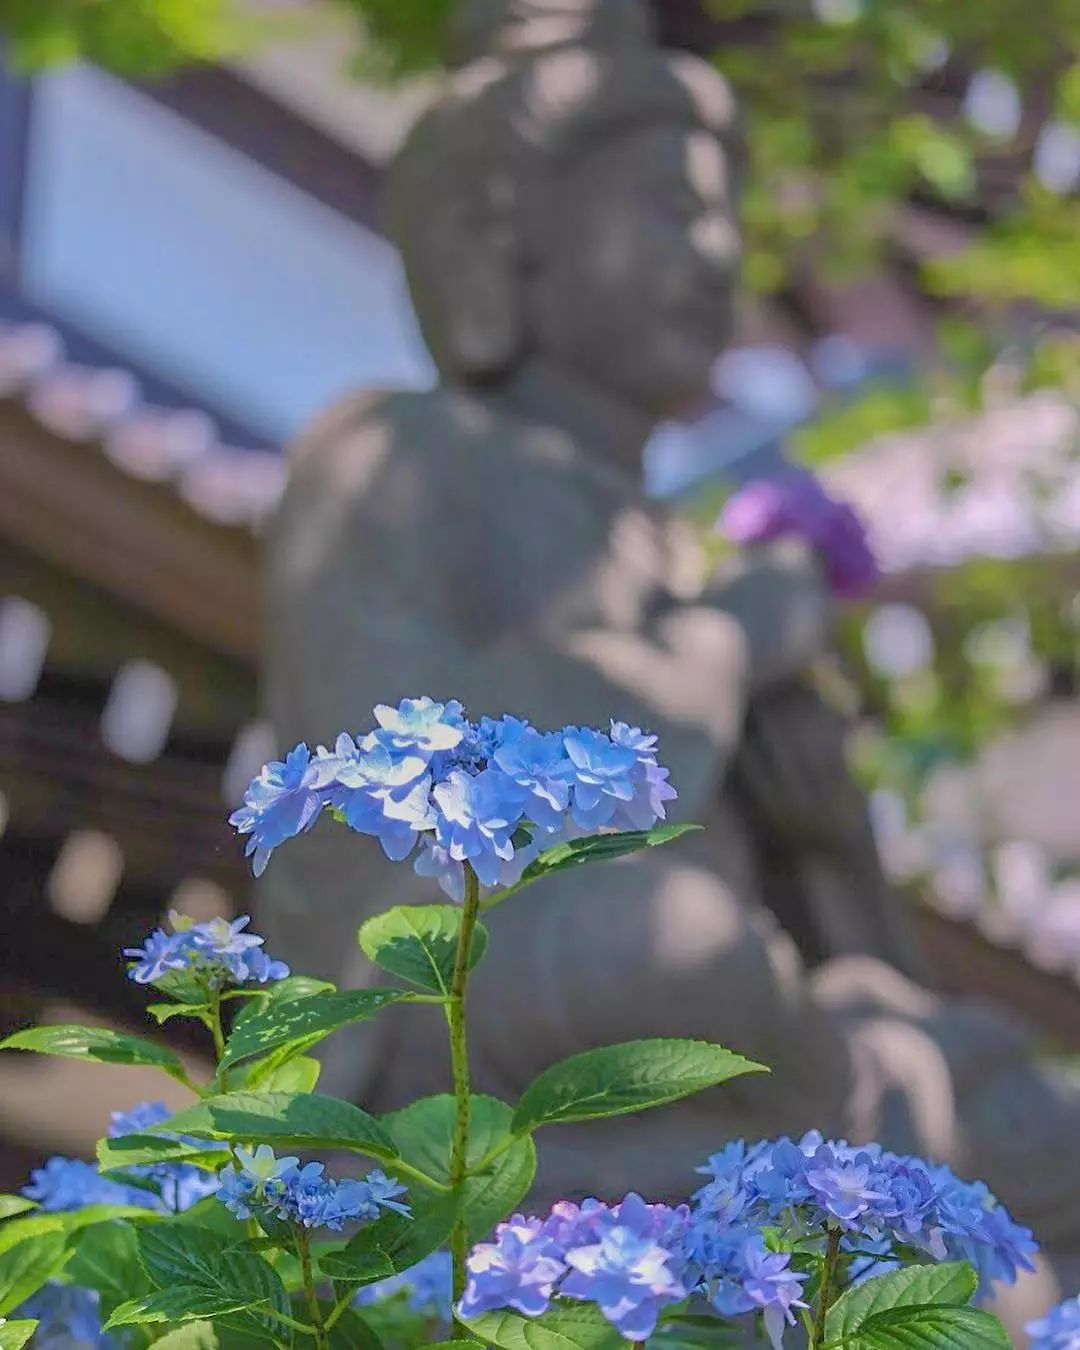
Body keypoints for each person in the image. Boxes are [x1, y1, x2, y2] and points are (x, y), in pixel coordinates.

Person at [259, 0, 1078, 1322]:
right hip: (496, 964)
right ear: (508, 238)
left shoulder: (665, 545)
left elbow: (821, 926)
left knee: (1020, 1098)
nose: (716, 254)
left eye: (724, 217)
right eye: (664, 210)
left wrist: (823, 842)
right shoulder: (397, 455)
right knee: (680, 941)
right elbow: (412, 784)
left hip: (732, 997)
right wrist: (733, 637)